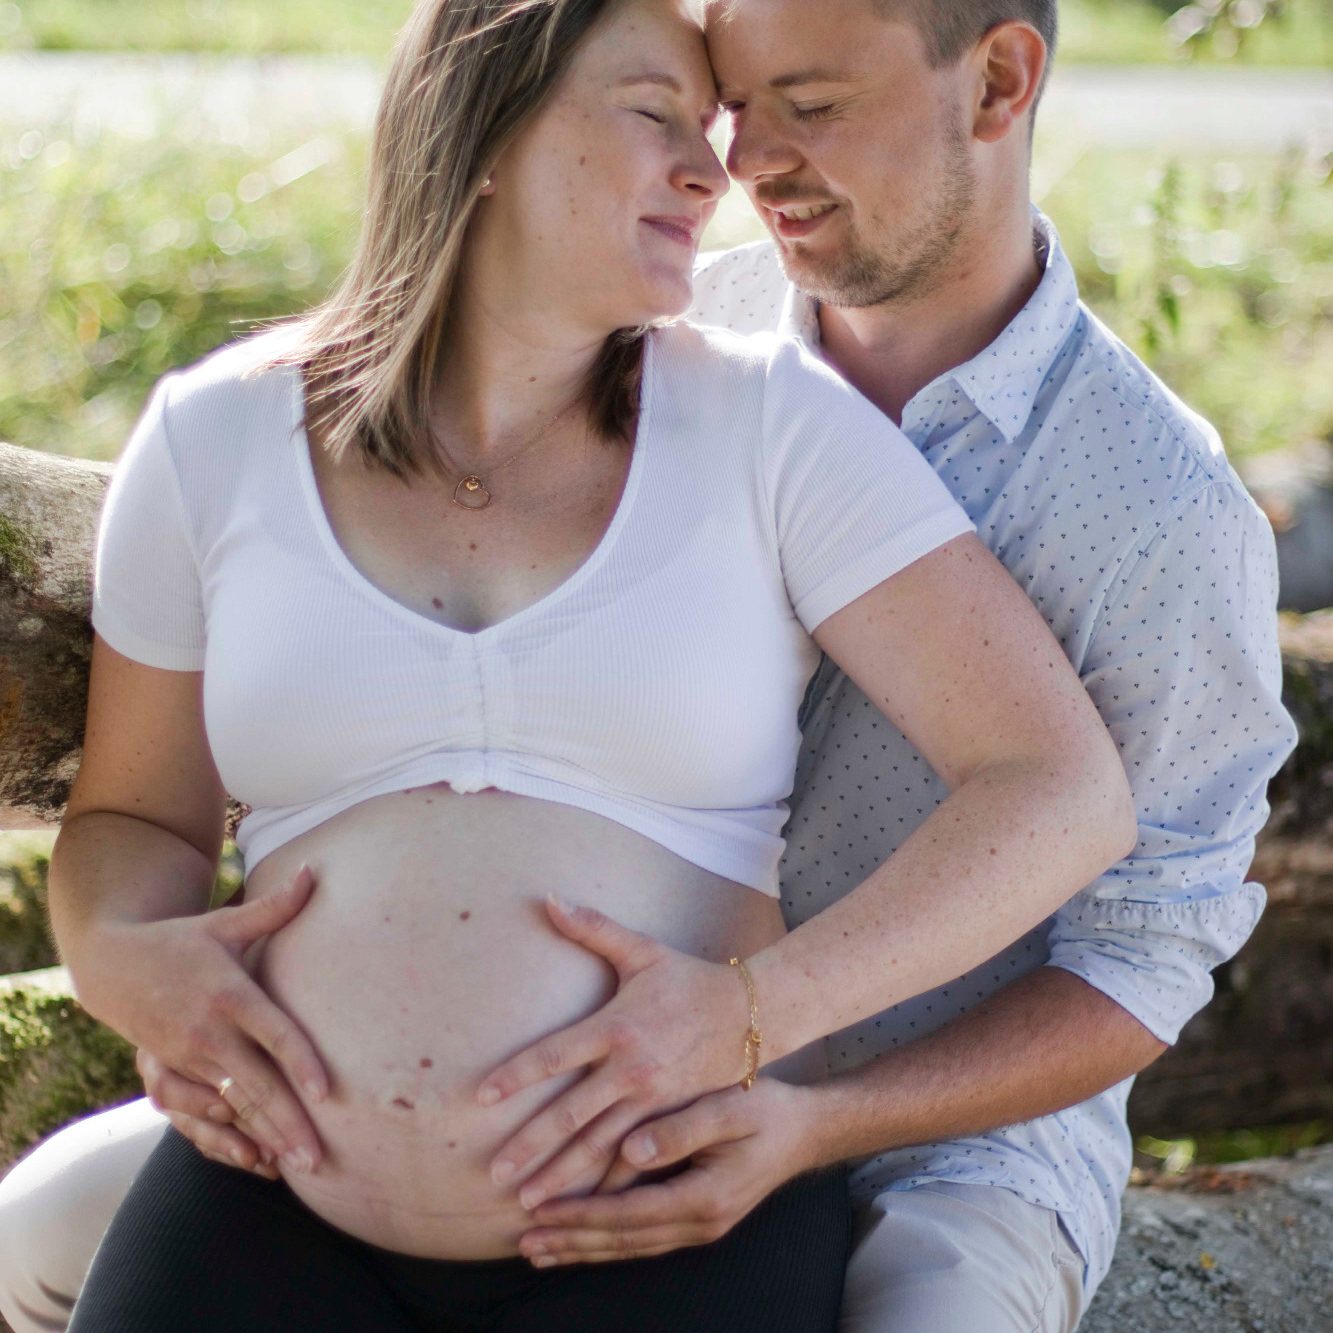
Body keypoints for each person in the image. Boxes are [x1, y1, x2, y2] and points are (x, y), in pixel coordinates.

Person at [0, 1, 1139, 1331]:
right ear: (481, 129)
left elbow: (1058, 785)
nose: (713, 172)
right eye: (657, 116)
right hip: (271, 1199)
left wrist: (753, 1015)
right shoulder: (215, 436)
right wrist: (127, 957)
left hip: (662, 1212)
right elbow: (134, 820)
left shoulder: (768, 424)